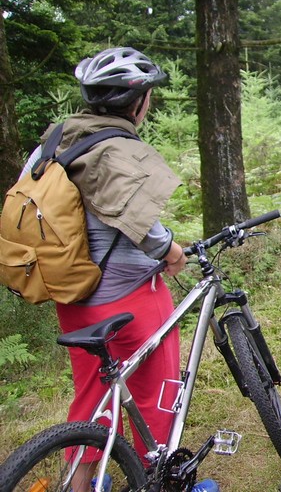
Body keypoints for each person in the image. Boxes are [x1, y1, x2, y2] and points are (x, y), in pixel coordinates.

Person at [20, 48, 217, 492]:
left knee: (93, 394)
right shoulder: (120, 150)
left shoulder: (54, 140)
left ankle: (81, 484)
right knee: (155, 389)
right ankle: (156, 479)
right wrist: (172, 254)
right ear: (139, 102)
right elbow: (144, 228)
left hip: (73, 293)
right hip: (130, 298)